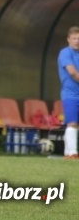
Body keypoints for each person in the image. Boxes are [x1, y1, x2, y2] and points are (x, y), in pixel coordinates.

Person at [57, 26, 79, 160]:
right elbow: (72, 72)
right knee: (72, 123)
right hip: (70, 95)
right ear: (68, 40)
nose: (77, 41)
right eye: (74, 38)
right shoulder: (65, 53)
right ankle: (72, 153)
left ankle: (68, 153)